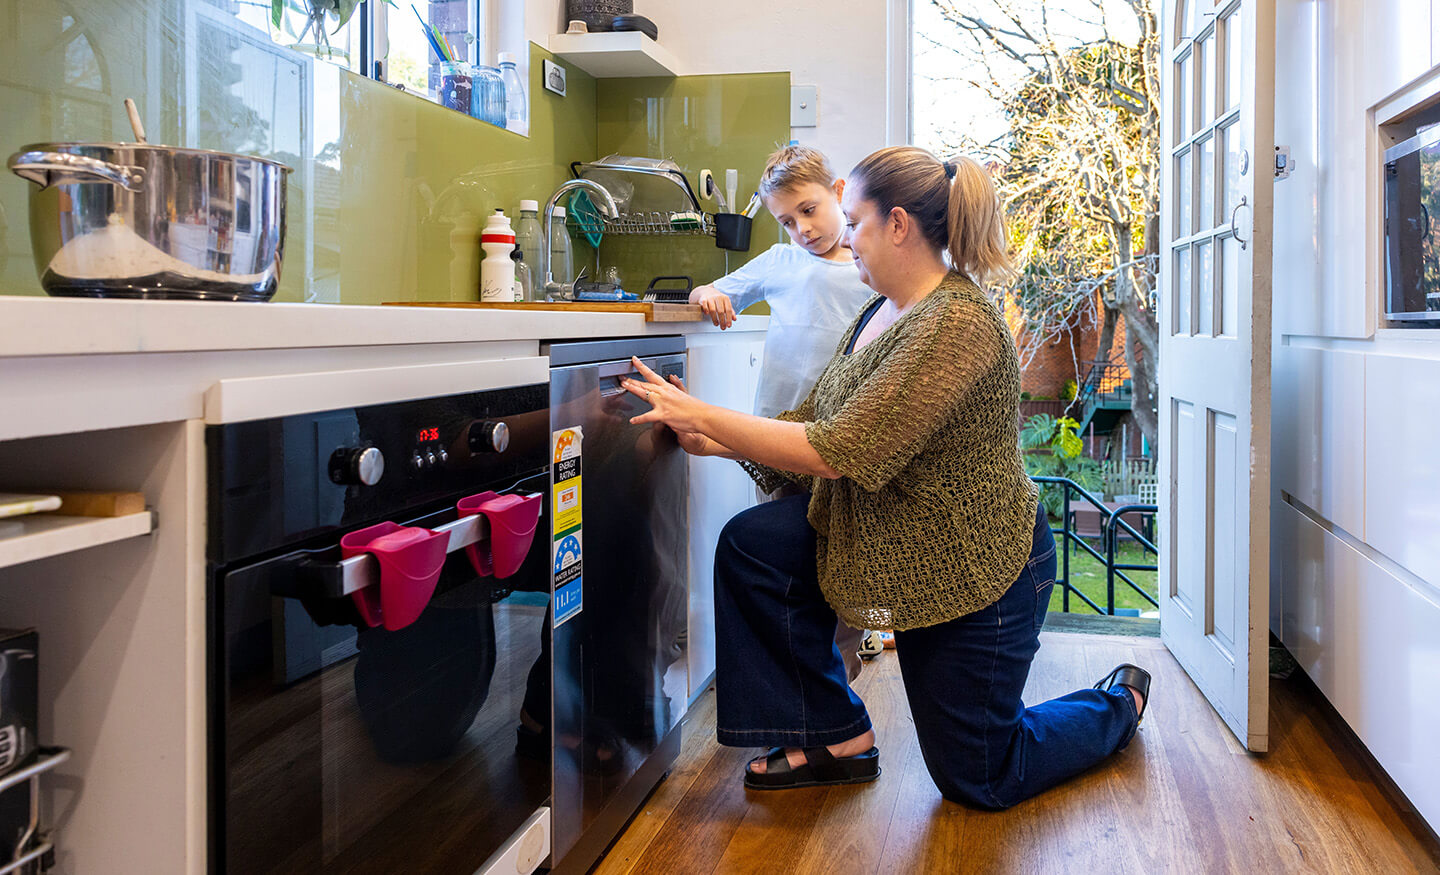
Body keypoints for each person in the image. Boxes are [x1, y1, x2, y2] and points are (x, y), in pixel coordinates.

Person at [619, 146, 1151, 807]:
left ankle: (1117, 704)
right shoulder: (879, 312)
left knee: (981, 775)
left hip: (977, 570)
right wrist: (714, 440)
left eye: (855, 222)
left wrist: (704, 415)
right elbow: (817, 418)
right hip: (895, 539)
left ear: (898, 224)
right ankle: (834, 735)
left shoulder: (956, 321)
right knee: (754, 546)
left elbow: (841, 449)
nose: (845, 237)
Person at [690, 144, 876, 678]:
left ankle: (844, 669)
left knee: (844, 557)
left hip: (838, 440)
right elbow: (709, 290)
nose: (802, 230)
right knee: (787, 562)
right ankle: (801, 673)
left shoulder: (868, 267)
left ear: (839, 192)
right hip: (774, 440)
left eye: (809, 210)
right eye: (787, 221)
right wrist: (711, 295)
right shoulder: (781, 261)